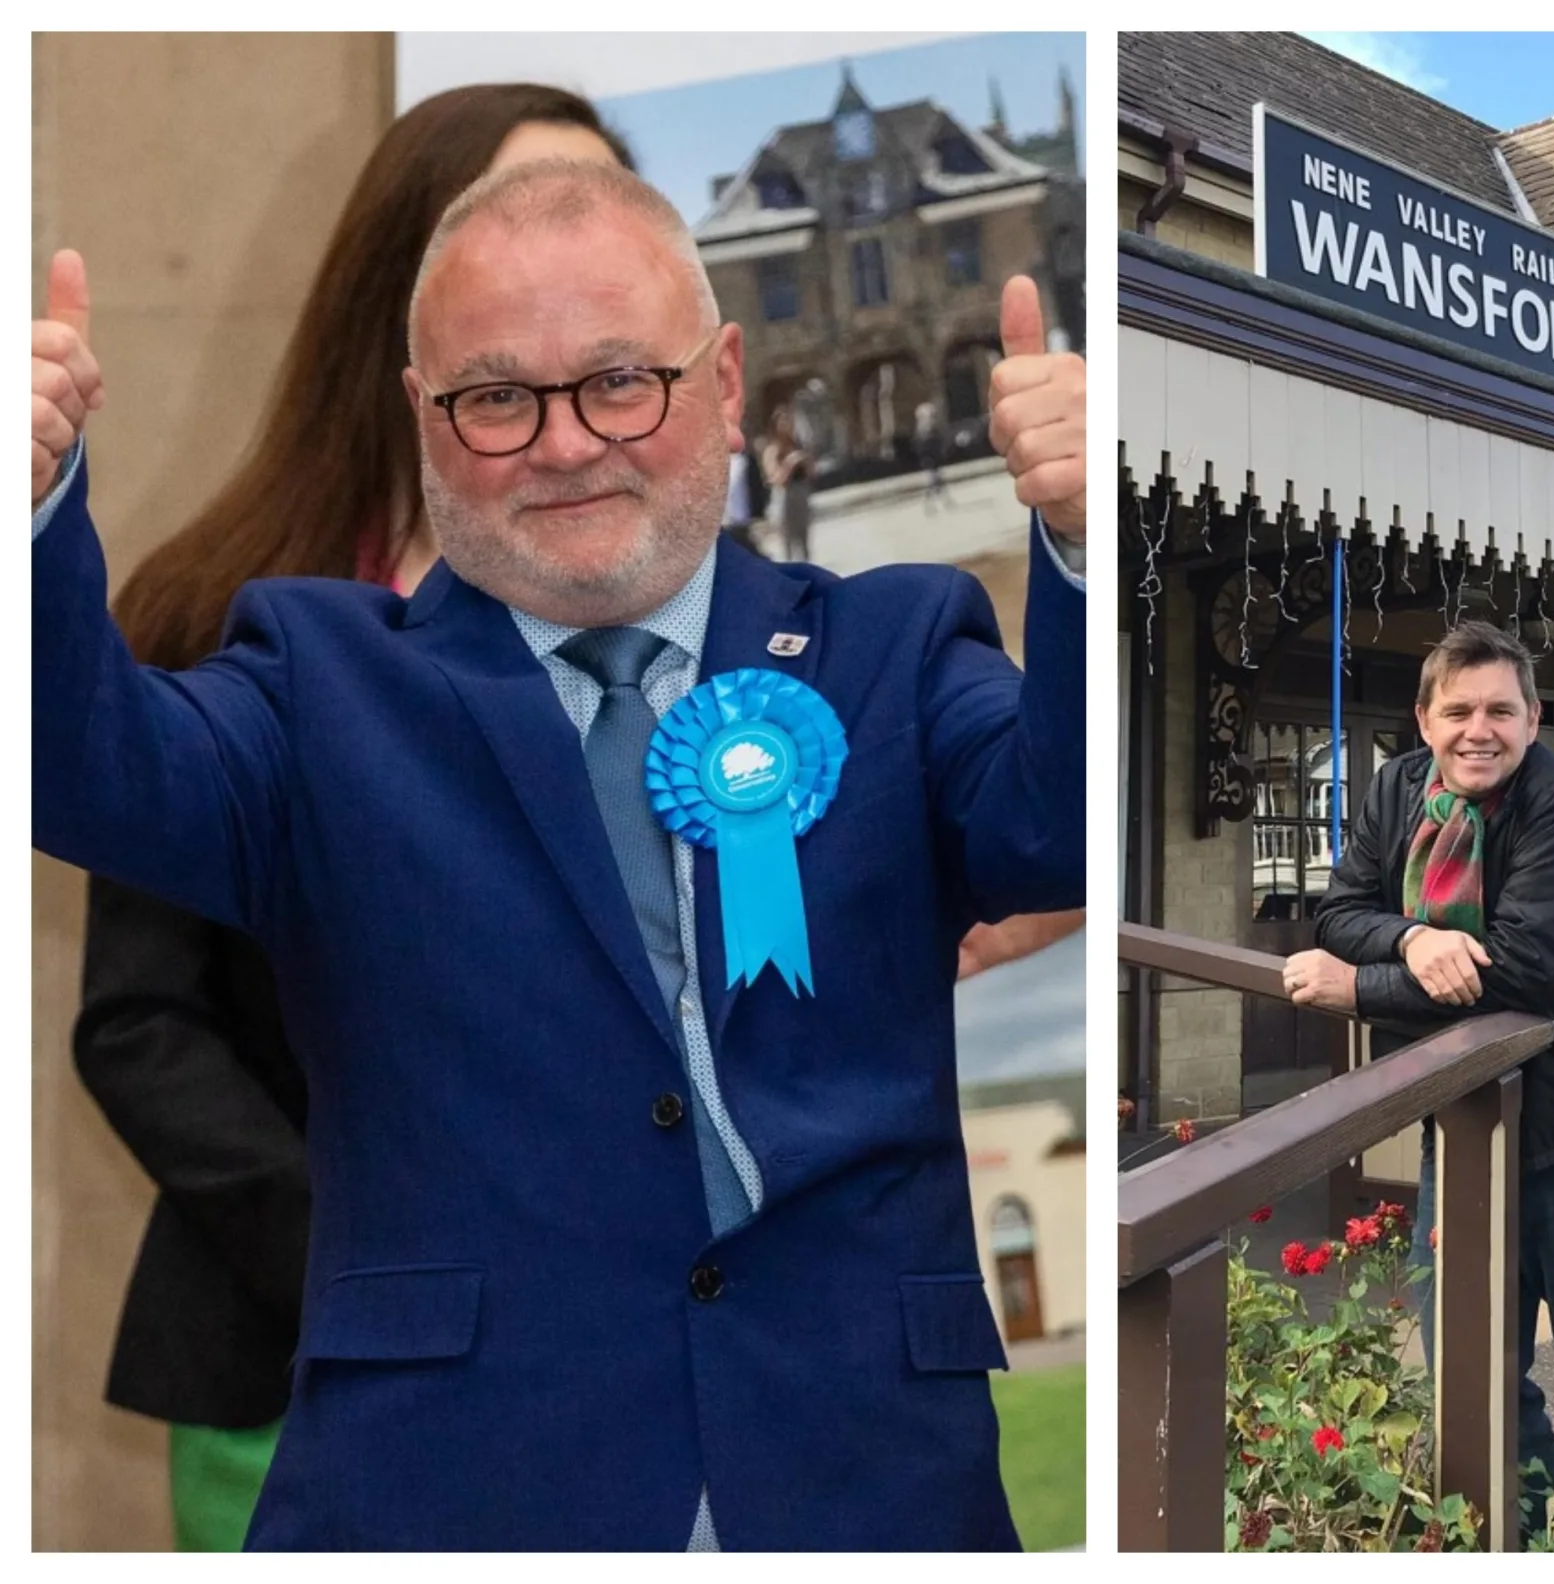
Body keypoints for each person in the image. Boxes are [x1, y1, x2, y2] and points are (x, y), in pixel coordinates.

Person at [31, 156, 1088, 1549]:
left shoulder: (893, 647)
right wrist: (26, 519)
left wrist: (1085, 538)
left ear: (724, 384)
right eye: (495, 397)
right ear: (423, 416)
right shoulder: (315, 680)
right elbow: (82, 769)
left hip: (864, 1482)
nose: (565, 441)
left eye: (617, 381)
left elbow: (1061, 821)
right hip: (453, 1491)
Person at [67, 83, 629, 1554]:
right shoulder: (206, 607)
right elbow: (140, 1023)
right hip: (296, 1360)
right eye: (513, 218)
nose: (557, 259)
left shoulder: (690, 634)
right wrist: (373, 1272)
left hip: (612, 1360)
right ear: (401, 294)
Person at [1280, 620, 1554, 1548]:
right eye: (1457, 710)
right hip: (1462, 1130)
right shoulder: (1394, 790)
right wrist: (1414, 938)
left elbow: (1525, 969)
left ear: (1534, 719)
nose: (1477, 730)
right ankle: (1544, 1544)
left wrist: (1359, 989)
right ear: (1424, 719)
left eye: (1500, 709)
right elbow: (1341, 908)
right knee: (1473, 1373)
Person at [758, 404, 813, 562]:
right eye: (783, 422)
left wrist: (807, 459)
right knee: (787, 541)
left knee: (804, 539)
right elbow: (774, 479)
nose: (787, 425)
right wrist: (790, 462)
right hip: (784, 497)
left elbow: (810, 473)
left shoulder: (797, 445)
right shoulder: (772, 450)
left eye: (789, 421)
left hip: (801, 494)